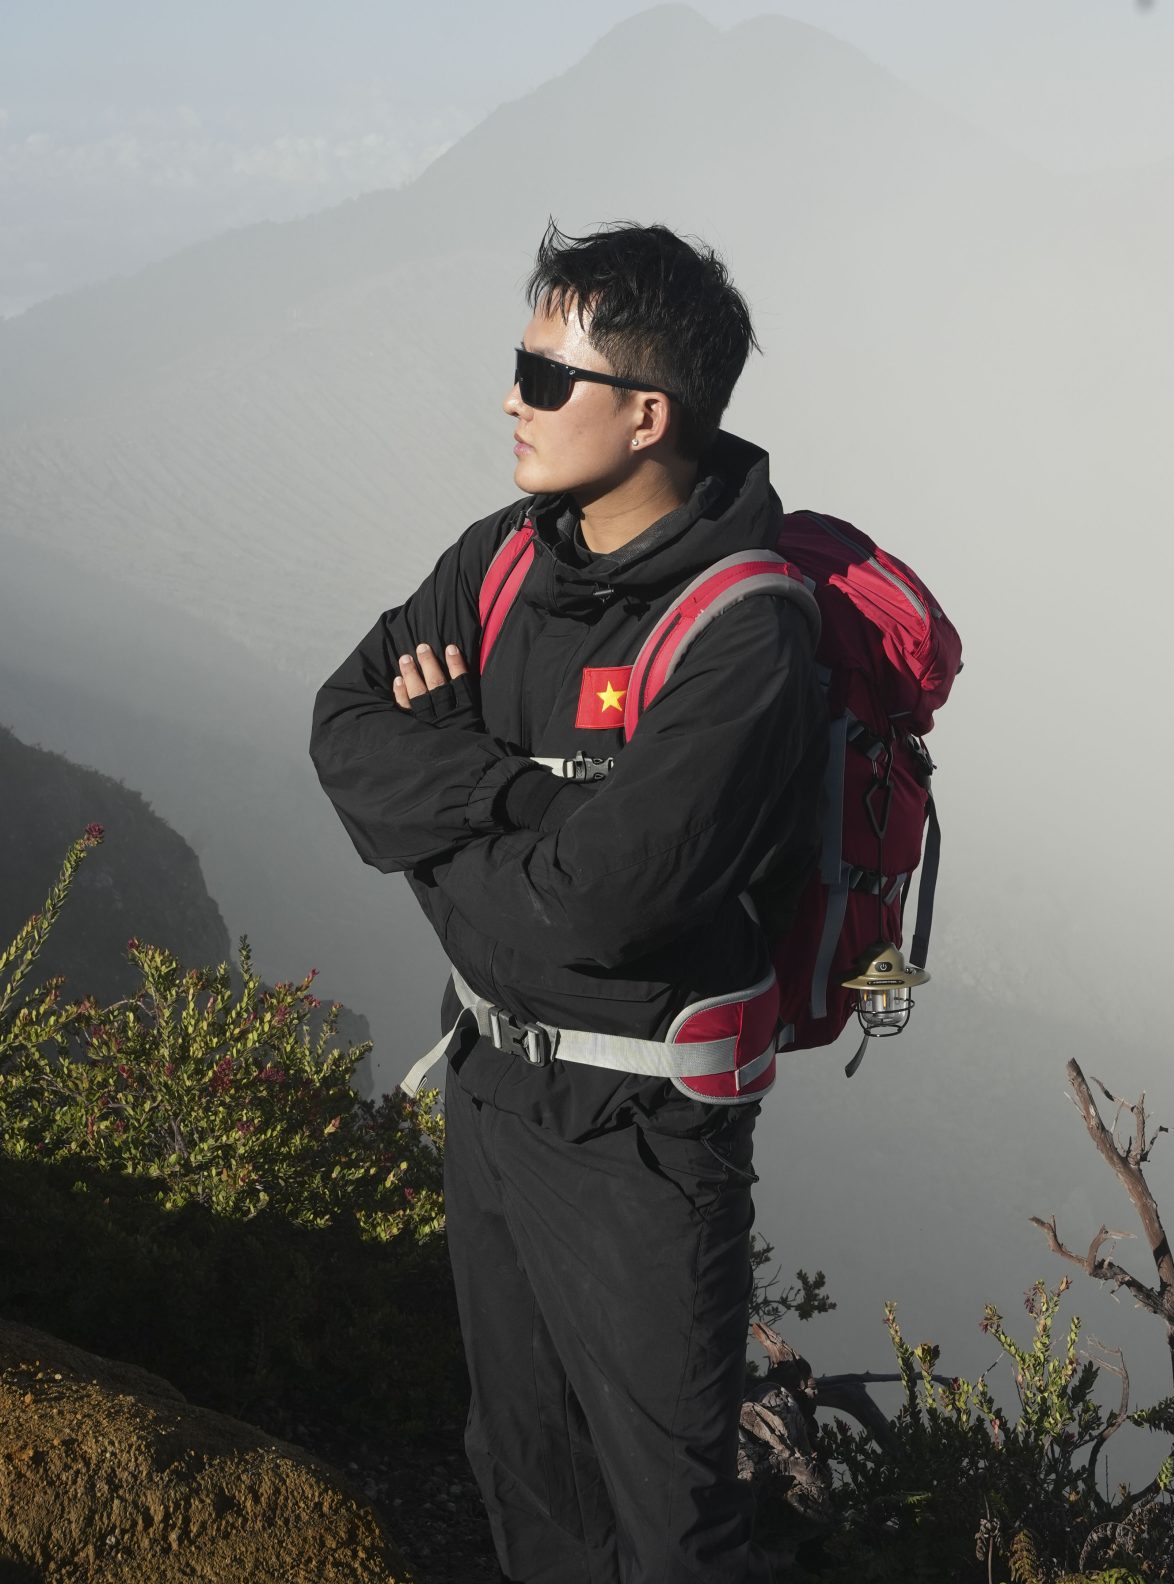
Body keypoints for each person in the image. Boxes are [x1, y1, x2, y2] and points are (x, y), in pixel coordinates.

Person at [310, 219, 824, 1584]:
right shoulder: (503, 559)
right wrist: (522, 803)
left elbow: (594, 914)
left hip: (639, 1133)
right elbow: (346, 729)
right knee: (523, 1469)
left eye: (546, 378)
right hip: (490, 1083)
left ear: (648, 416)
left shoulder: (745, 635)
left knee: (670, 1527)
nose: (511, 400)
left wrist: (443, 801)